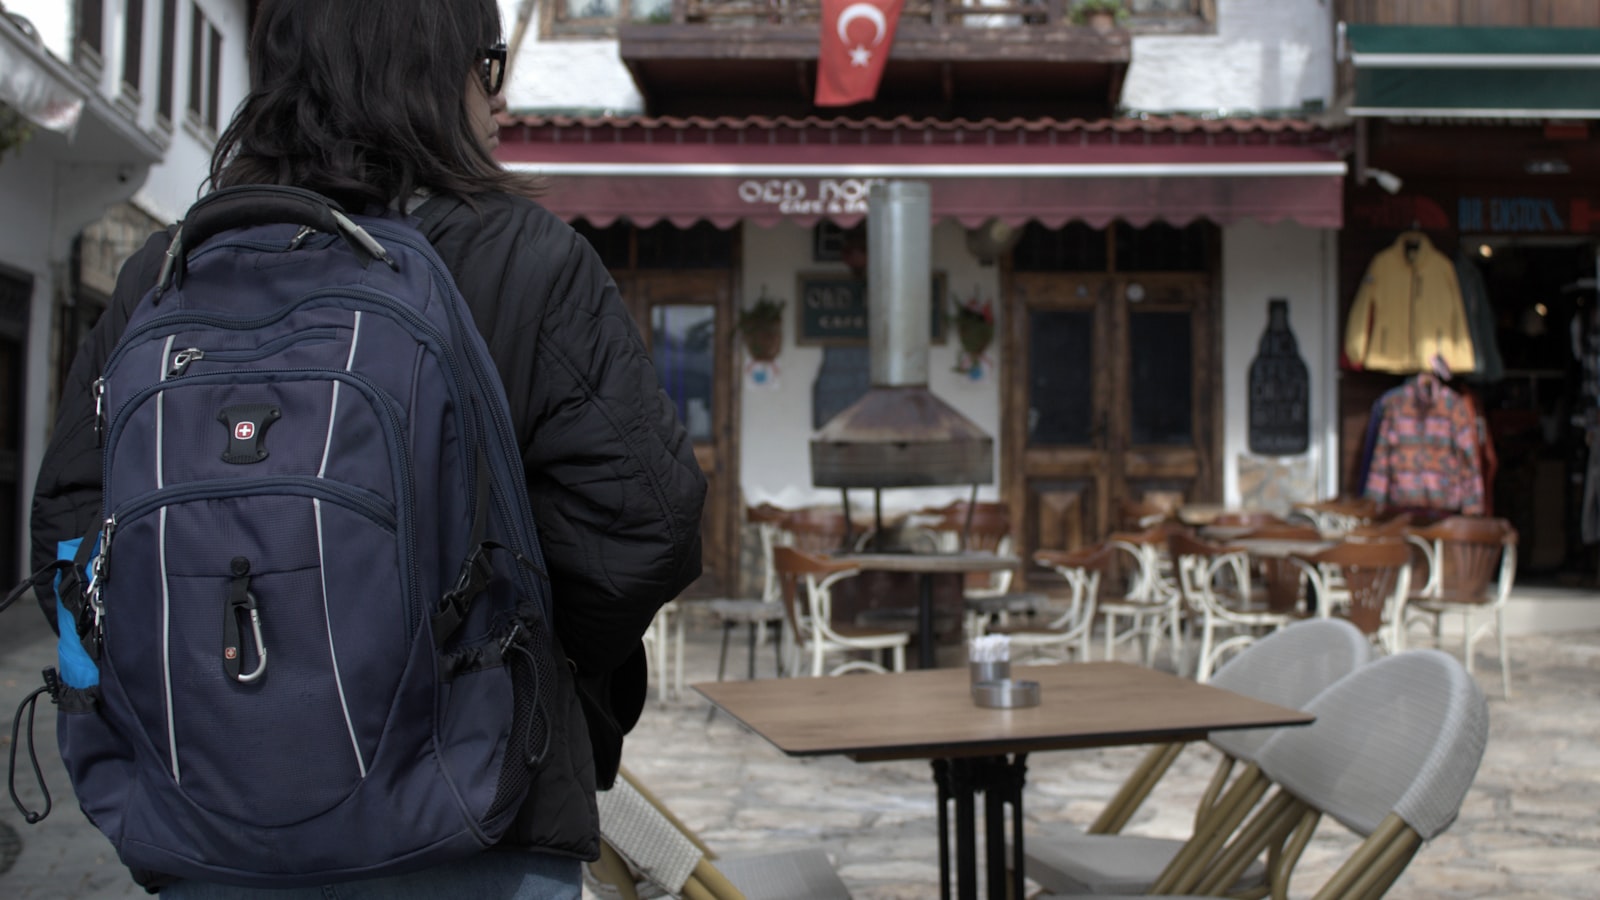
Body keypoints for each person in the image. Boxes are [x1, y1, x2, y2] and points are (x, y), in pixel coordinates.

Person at [27, 0, 707, 896]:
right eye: (488, 65)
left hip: (209, 833)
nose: (499, 98)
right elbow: (648, 523)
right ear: (428, 69)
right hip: (474, 823)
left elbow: (70, 536)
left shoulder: (167, 275)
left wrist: (205, 694)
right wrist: (499, 658)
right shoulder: (525, 259)